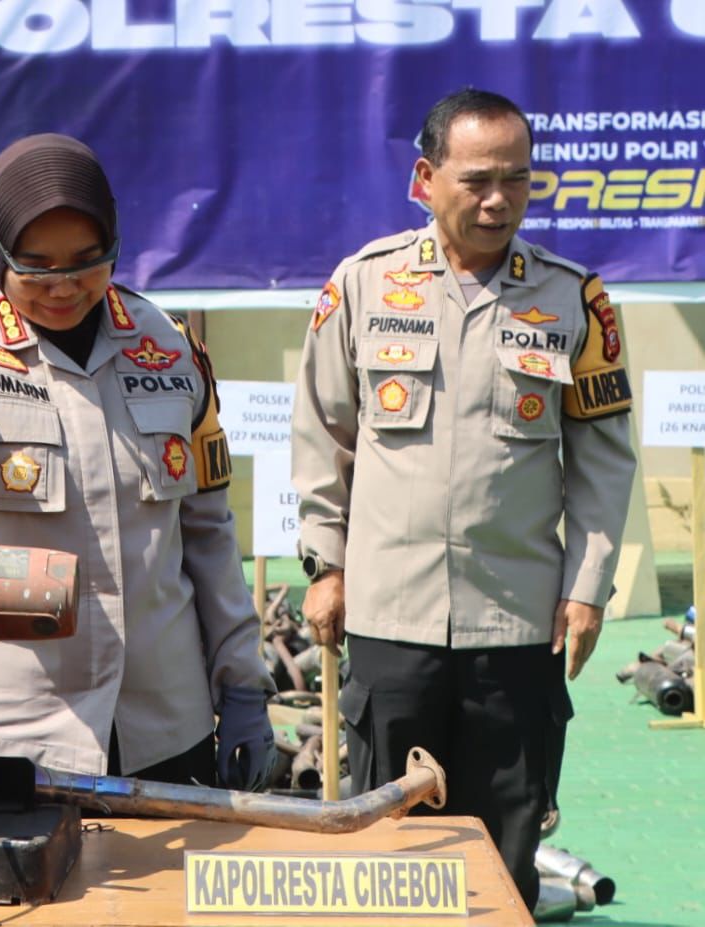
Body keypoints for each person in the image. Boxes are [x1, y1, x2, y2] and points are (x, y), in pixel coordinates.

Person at [291, 89, 636, 907]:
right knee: (388, 845)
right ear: (424, 179)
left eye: (516, 179)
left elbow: (602, 457)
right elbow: (322, 433)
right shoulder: (363, 284)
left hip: (515, 622)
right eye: (477, 179)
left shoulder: (573, 299)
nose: (497, 200)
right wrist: (325, 564)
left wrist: (587, 588)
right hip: (389, 617)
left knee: (505, 846)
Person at [0, 134, 275, 789]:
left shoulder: (168, 348)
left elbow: (208, 534)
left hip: (164, 725)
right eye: (35, 267)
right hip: (19, 735)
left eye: (88, 263)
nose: (63, 287)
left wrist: (241, 686)